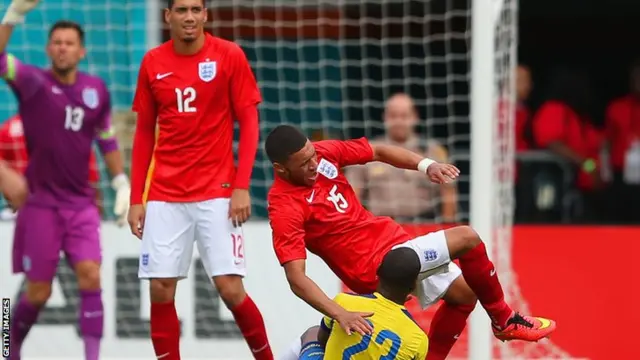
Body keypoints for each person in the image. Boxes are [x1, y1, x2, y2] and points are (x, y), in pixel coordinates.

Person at [266, 125, 556, 360]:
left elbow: (377, 150)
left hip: (394, 243)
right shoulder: (284, 207)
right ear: (280, 169)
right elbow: (296, 278)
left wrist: (425, 164)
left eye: (313, 155)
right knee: (467, 237)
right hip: (375, 266)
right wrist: (339, 312)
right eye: (304, 163)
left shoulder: (323, 154)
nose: (314, 164)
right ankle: (504, 319)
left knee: (465, 295)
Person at [127, 0, 273, 359]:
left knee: (230, 289)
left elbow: (250, 122)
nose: (188, 17)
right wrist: (135, 198)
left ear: (205, 15)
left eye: (195, 9)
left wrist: (241, 185)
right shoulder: (152, 62)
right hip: (164, 194)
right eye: (181, 10)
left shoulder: (229, 56)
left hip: (218, 192)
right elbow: (145, 132)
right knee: (160, 289)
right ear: (168, 17)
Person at [0, 2, 131, 360]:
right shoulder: (32, 81)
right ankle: (8, 345)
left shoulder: (96, 90)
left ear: (82, 50)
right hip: (40, 205)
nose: (62, 48)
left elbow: (106, 139)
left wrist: (121, 182)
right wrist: (12, 17)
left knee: (90, 275)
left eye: (69, 43)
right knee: (38, 293)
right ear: (47, 49)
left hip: (81, 205)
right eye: (56, 42)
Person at [296, 247, 429, 360]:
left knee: (312, 333)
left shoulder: (343, 302)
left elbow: (322, 339)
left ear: (378, 271)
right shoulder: (419, 339)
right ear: (413, 286)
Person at [346, 93, 457, 223]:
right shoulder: (368, 150)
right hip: (381, 226)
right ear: (385, 117)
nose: (398, 121)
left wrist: (447, 225)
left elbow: (448, 192)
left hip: (424, 225)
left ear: (415, 117)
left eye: (404, 116)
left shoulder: (433, 151)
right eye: (393, 116)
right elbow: (353, 194)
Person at [0, 114, 103, 217]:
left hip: (23, 211)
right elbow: (91, 181)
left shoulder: (8, 128)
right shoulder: (71, 129)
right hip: (67, 210)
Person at [605, 58, 640, 223]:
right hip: (621, 174)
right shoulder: (617, 107)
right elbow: (608, 141)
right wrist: (605, 171)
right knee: (621, 220)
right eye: (636, 78)